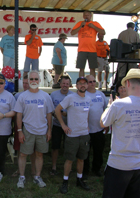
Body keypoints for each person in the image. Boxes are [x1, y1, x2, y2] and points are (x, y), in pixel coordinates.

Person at [101, 69, 140, 198]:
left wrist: (108, 107)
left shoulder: (118, 104)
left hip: (119, 164)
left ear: (127, 83)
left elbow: (103, 123)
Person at [14, 70, 53, 188]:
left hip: (42, 130)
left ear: (40, 80)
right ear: (28, 80)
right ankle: (22, 177)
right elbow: (19, 115)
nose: (34, 81)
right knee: (23, 154)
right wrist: (20, 131)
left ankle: (37, 176)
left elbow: (49, 114)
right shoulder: (23, 96)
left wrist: (49, 130)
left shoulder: (46, 96)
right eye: (31, 79)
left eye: (36, 79)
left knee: (39, 154)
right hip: (27, 130)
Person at [55, 76, 91, 194]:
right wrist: (63, 125)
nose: (82, 85)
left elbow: (87, 114)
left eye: (84, 83)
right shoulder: (70, 98)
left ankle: (79, 179)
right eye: (80, 83)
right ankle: (65, 181)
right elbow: (57, 110)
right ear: (76, 86)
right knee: (70, 159)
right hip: (72, 135)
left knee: (81, 159)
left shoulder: (88, 99)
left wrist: (87, 125)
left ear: (87, 86)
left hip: (84, 134)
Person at [83, 75, 108, 179]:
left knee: (98, 151)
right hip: (86, 130)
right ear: (86, 83)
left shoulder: (101, 94)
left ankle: (96, 169)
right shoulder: (83, 95)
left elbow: (107, 109)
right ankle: (85, 171)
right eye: (90, 82)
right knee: (85, 152)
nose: (92, 83)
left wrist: (106, 125)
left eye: (94, 81)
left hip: (99, 129)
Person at [13, 75, 36, 177]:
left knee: (33, 149)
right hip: (20, 124)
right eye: (24, 83)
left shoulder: (36, 95)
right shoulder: (18, 96)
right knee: (19, 148)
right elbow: (15, 112)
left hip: (32, 124)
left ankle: (33, 169)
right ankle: (19, 170)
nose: (26, 85)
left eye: (28, 83)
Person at [50, 76, 74, 175]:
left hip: (70, 125)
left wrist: (67, 114)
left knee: (69, 147)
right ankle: (54, 167)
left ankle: (68, 167)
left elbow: (76, 111)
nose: (65, 85)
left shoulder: (73, 95)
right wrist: (55, 114)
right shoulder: (53, 95)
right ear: (60, 84)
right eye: (63, 83)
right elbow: (50, 109)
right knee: (55, 147)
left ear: (70, 85)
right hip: (57, 125)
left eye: (67, 84)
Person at [71, 11, 105, 78]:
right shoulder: (80, 23)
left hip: (92, 50)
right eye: (85, 15)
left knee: (92, 68)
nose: (86, 17)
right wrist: (81, 26)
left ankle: (91, 83)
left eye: (88, 15)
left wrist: (93, 27)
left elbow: (103, 32)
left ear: (90, 16)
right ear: (83, 16)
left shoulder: (95, 23)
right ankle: (81, 81)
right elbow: (72, 33)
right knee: (81, 68)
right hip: (82, 49)